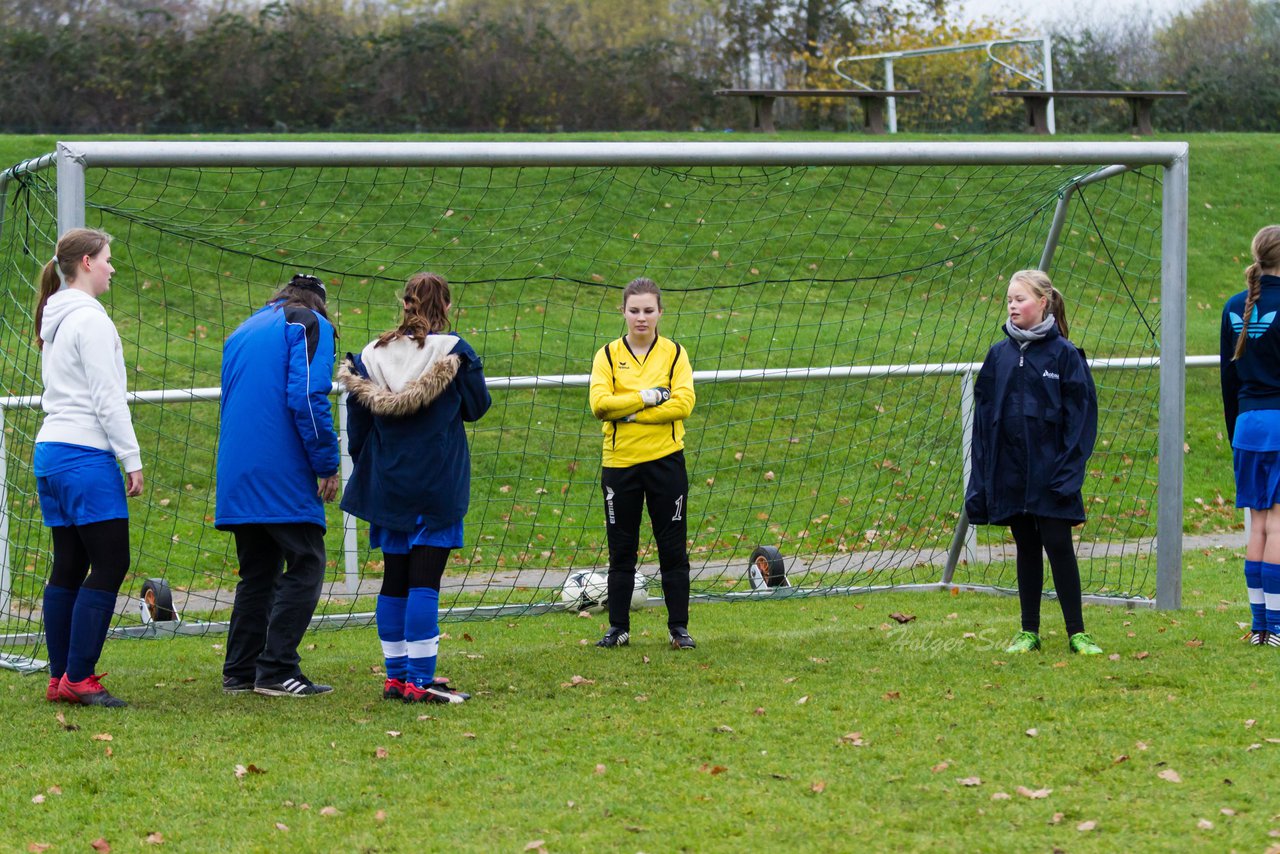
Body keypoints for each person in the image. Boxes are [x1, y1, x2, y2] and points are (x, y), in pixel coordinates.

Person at [339, 272, 491, 704]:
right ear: (443, 307)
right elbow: (477, 407)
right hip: (437, 480)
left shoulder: (372, 355)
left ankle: (397, 676)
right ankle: (421, 682)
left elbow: (357, 430)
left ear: (405, 304)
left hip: (388, 483)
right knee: (425, 581)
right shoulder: (452, 351)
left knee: (395, 578)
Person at [216, 273, 342, 697]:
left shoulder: (243, 330)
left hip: (238, 469)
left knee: (258, 572)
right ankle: (276, 668)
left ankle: (241, 669)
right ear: (319, 303)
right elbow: (307, 395)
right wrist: (327, 463)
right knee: (307, 562)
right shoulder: (309, 324)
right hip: (280, 468)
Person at [965, 269, 1103, 655]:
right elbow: (984, 421)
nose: (1012, 306)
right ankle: (1029, 631)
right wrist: (985, 477)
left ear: (1043, 303)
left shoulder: (1065, 355)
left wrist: (1068, 471)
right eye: (1009, 299)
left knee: (1058, 543)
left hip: (1052, 473)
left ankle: (1077, 632)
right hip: (1011, 474)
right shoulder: (998, 356)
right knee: (1025, 545)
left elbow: (1081, 420)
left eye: (1020, 299)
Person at [34, 228, 144, 707]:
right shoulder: (91, 320)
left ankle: (61, 677)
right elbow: (106, 397)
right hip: (82, 454)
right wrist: (131, 457)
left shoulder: (54, 316)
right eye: (107, 259)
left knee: (71, 563)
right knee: (111, 561)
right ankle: (80, 677)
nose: (112, 267)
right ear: (85, 263)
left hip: (51, 453)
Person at [588, 277, 696, 650]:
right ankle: (618, 628)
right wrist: (649, 397)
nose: (641, 318)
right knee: (621, 551)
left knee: (673, 549)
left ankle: (678, 629)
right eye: (634, 310)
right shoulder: (606, 355)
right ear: (623, 312)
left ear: (660, 312)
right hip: (620, 466)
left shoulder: (675, 353)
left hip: (666, 463)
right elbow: (600, 405)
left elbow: (683, 404)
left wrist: (632, 414)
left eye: (649, 310)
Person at [1220, 225, 1280, 647]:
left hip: (1247, 426)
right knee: (1278, 526)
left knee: (1258, 525)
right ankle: (1276, 627)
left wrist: (1234, 432)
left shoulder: (1232, 306)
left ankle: (1259, 626)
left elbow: (1228, 380)